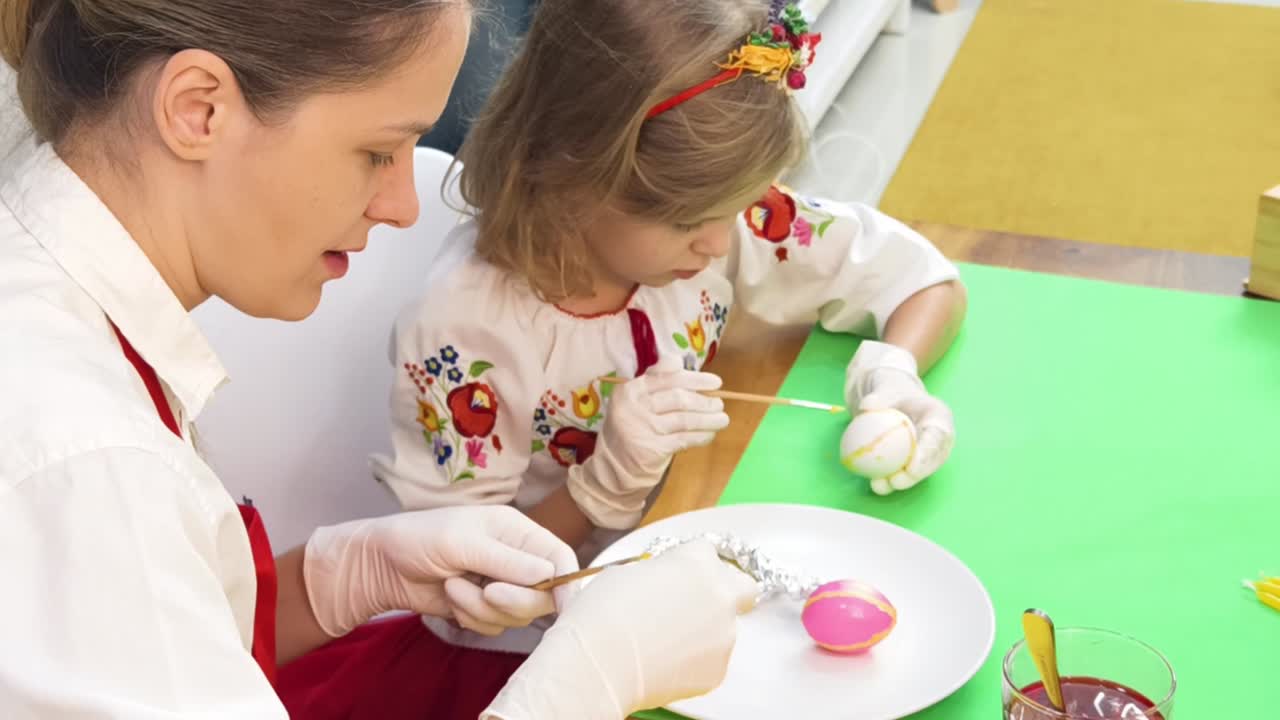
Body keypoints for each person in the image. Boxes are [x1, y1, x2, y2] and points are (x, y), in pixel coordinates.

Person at [0, 1, 759, 718]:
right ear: (197, 108)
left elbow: (157, 640)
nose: (402, 205)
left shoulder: (63, 319)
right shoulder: (84, 464)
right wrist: (592, 678)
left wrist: (335, 579)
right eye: (377, 152)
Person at [278, 0, 968, 717]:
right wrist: (598, 489)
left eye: (729, 212)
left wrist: (894, 374)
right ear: (572, 181)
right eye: (685, 225)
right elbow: (461, 599)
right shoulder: (470, 329)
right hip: (541, 664)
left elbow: (921, 278)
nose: (716, 246)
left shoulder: (716, 218)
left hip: (690, 586)